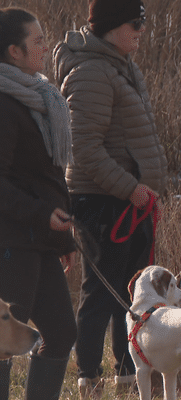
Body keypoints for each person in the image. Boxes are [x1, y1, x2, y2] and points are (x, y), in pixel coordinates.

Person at [52, 0, 167, 397]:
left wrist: (142, 190)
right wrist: (130, 188)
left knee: (131, 293)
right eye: (136, 23)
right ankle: (88, 376)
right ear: (112, 26)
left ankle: (126, 373)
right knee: (101, 293)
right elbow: (83, 147)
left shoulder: (122, 66)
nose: (141, 30)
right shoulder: (91, 72)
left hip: (129, 202)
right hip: (101, 202)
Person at [0, 7, 77, 400]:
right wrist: (41, 214)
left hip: (41, 239)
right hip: (13, 241)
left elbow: (48, 176)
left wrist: (62, 239)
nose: (47, 47)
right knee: (2, 346)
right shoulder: (4, 104)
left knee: (62, 332)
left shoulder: (40, 97)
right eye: (38, 41)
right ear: (14, 51)